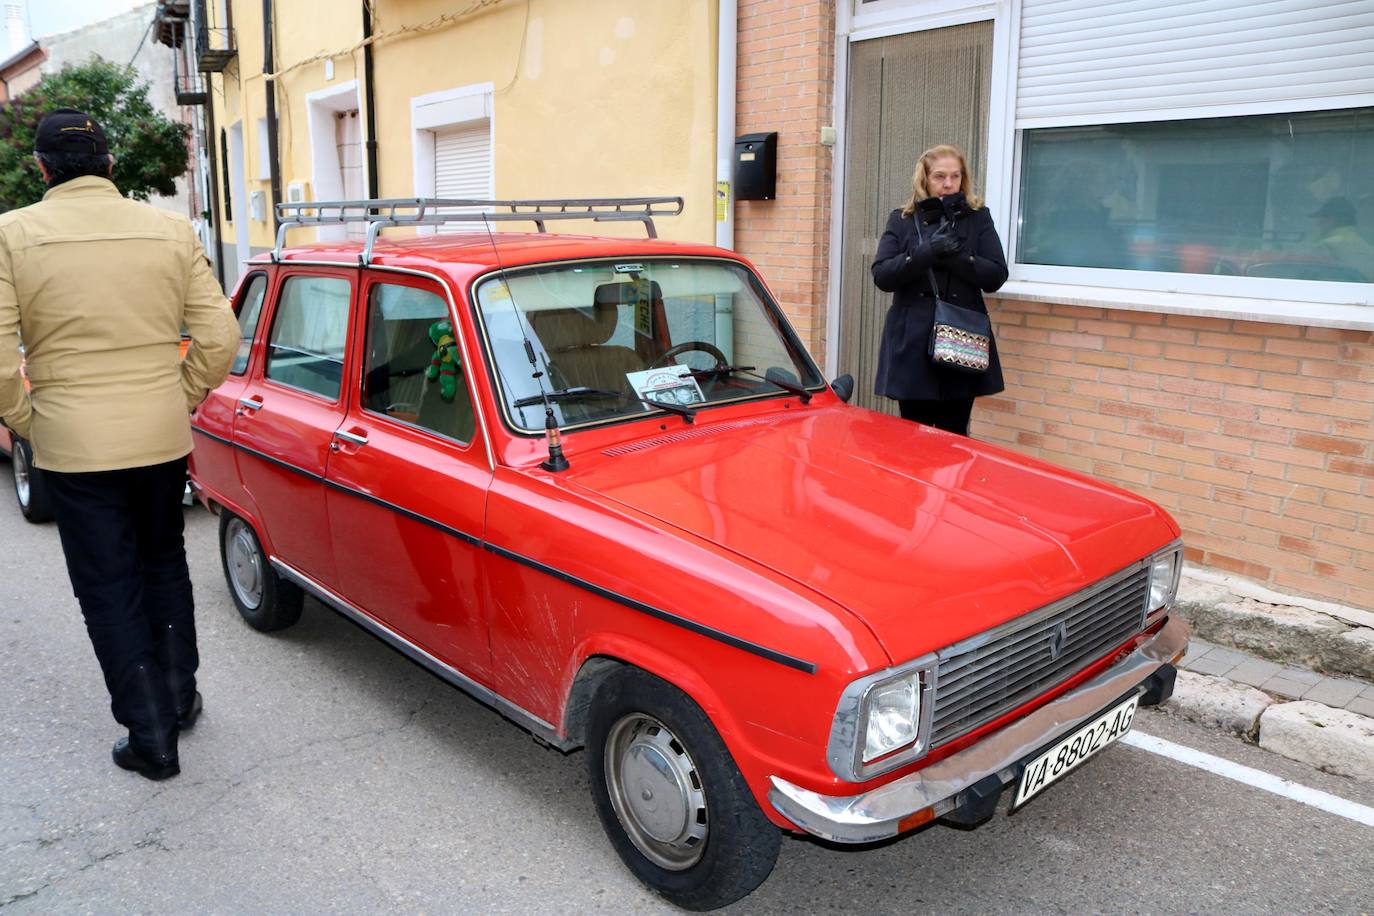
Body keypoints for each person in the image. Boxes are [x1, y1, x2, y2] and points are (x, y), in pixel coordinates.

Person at [0, 109, 239, 780]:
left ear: (42, 169)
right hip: (159, 434)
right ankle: (180, 697)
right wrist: (181, 395)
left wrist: (30, 420)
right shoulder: (167, 229)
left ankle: (151, 736)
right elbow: (219, 338)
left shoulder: (10, 235)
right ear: (108, 164)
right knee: (164, 564)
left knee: (108, 584)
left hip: (74, 444)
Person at [871, 144, 1008, 436]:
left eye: (955, 177)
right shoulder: (902, 219)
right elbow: (882, 275)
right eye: (940, 176)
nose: (948, 184)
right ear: (924, 179)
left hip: (960, 340)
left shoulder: (977, 217)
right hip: (913, 344)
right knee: (913, 440)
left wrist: (958, 255)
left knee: (954, 438)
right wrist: (927, 251)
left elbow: (996, 275)